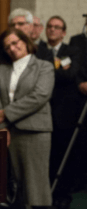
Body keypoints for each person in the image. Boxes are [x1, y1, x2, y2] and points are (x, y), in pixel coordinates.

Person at [0, 28, 54, 209]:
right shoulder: (2, 69)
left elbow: (40, 96)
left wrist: (6, 113)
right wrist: (2, 125)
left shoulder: (44, 66)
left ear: (25, 42)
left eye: (15, 42)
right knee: (14, 187)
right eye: (7, 46)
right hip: (8, 132)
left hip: (35, 131)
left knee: (36, 186)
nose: (12, 48)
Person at [46, 16, 84, 209]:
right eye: (50, 27)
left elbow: (69, 74)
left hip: (66, 114)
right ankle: (48, 194)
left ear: (64, 32)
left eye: (57, 27)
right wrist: (58, 66)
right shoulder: (40, 51)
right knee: (48, 158)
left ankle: (63, 195)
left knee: (65, 157)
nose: (52, 30)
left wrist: (49, 66)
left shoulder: (72, 51)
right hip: (43, 113)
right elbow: (57, 71)